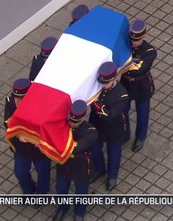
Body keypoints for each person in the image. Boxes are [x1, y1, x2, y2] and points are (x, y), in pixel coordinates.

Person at [4, 78, 51, 194]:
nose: (18, 102)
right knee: (20, 172)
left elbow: (49, 126)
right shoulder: (10, 102)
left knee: (43, 172)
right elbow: (7, 121)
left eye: (22, 99)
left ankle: (42, 194)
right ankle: (28, 191)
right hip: (21, 147)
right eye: (16, 98)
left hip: (38, 149)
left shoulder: (42, 106)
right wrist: (19, 136)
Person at [53, 100, 97, 221]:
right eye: (70, 120)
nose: (71, 123)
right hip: (65, 164)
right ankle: (63, 207)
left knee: (81, 191)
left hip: (81, 165)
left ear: (83, 119)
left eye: (75, 121)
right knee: (61, 188)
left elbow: (74, 148)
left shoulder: (90, 131)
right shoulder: (64, 124)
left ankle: (80, 212)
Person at [89, 62, 129, 191]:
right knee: (95, 149)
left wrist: (96, 102)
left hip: (113, 127)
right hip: (97, 124)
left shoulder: (121, 94)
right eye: (102, 82)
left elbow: (109, 115)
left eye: (106, 83)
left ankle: (112, 176)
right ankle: (99, 169)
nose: (103, 85)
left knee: (113, 152)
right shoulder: (98, 85)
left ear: (113, 79)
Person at [120, 19, 157, 153]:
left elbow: (138, 70)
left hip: (142, 85)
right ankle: (125, 134)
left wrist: (123, 65)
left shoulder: (149, 51)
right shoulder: (126, 45)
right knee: (123, 111)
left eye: (137, 40)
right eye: (132, 40)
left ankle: (140, 137)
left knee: (142, 113)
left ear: (144, 37)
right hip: (126, 84)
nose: (134, 42)